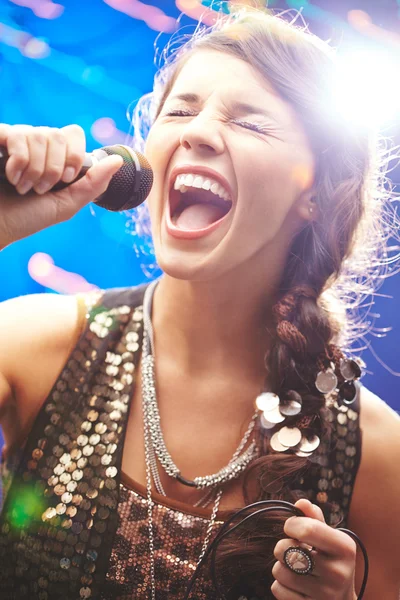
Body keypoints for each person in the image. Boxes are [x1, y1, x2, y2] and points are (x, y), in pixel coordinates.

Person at [0, 6, 399, 600]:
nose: (196, 131)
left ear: (313, 193)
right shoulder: (31, 345)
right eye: (181, 110)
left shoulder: (377, 454)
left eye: (252, 123)